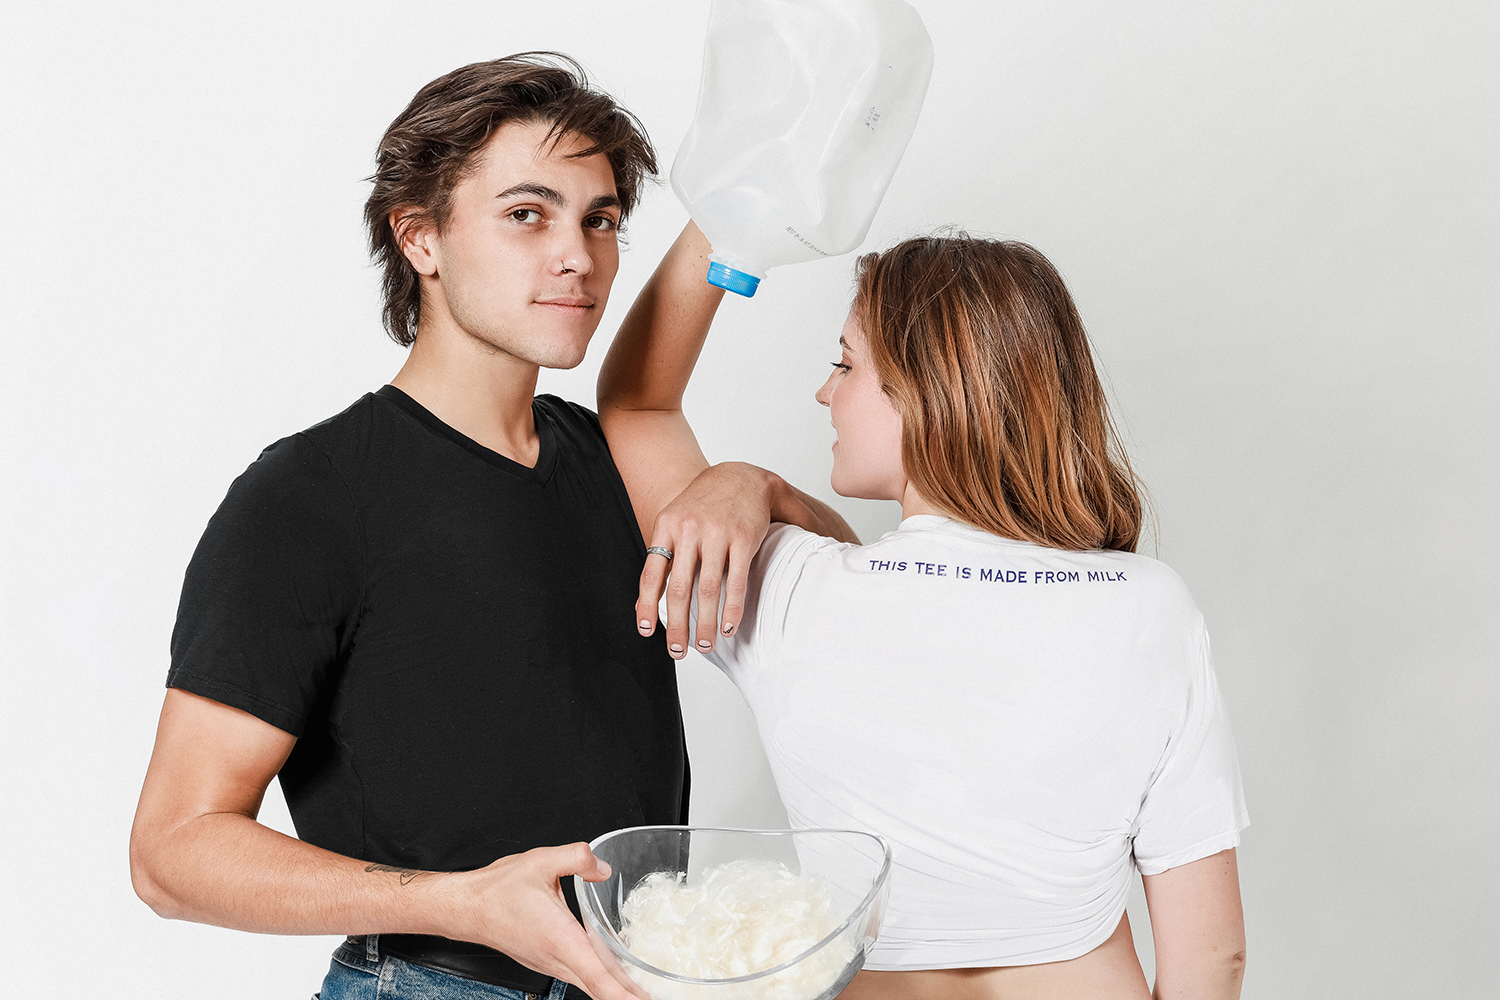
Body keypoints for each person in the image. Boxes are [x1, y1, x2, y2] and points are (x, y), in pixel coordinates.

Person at [128, 54, 851, 1000]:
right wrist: (461, 902)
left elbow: (842, 583)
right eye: (527, 214)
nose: (578, 256)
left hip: (644, 981)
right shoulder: (310, 496)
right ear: (420, 238)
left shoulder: (605, 459)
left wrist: (751, 483)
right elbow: (171, 852)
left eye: (600, 221)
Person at [598, 224, 1250, 999]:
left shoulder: (789, 593)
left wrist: (732, 212)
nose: (825, 391)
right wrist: (759, 485)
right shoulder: (1150, 607)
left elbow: (638, 405)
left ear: (923, 389)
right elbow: (1212, 957)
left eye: (845, 363)